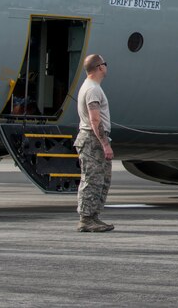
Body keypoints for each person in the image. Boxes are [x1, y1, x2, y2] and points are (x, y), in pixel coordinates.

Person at [73, 53, 114, 233]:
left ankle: (93, 217)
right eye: (105, 63)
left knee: (102, 180)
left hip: (93, 138)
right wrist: (105, 144)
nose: (106, 67)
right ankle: (86, 219)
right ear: (100, 67)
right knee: (92, 179)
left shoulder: (92, 87)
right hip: (92, 139)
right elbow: (95, 120)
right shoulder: (92, 89)